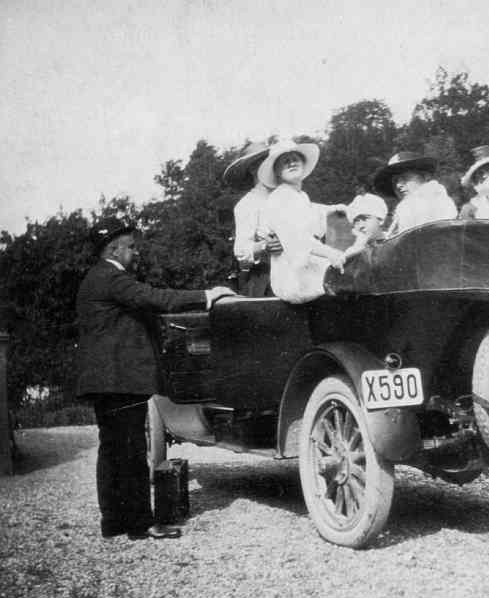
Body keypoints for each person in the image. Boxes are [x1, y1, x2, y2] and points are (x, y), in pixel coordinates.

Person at [76, 217, 236, 540]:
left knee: (112, 450)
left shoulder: (94, 278)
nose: (136, 252)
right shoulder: (112, 277)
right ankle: (140, 524)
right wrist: (208, 295)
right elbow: (156, 298)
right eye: (131, 247)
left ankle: (113, 521)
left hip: (104, 380)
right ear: (114, 249)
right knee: (133, 450)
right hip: (120, 380)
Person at [257, 139, 353, 303]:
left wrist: (336, 208)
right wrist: (331, 253)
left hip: (309, 267)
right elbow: (297, 238)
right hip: (294, 276)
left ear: (303, 164)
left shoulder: (300, 196)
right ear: (277, 172)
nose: (292, 163)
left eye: (295, 158)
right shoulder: (279, 199)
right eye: (285, 161)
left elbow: (313, 211)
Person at [224, 140, 281, 297]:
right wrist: (265, 246)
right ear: (253, 168)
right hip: (267, 280)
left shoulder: (287, 196)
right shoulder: (248, 204)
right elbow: (241, 250)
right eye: (265, 161)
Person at [371, 151, 457, 237]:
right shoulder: (406, 209)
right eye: (395, 181)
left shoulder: (435, 201)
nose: (398, 185)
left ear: (425, 176)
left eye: (405, 178)